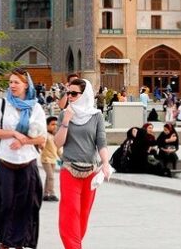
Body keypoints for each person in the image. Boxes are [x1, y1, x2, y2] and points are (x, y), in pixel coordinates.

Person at [0, 67, 47, 249]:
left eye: (16, 82)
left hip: (27, 164)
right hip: (6, 164)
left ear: (25, 85)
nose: (12, 85)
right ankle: (4, 241)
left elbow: (42, 138)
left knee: (26, 206)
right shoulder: (2, 104)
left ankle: (19, 243)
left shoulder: (35, 107)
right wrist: (14, 133)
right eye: (10, 82)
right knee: (6, 204)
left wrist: (24, 141)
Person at [53, 79, 110, 249]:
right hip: (70, 169)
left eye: (74, 93)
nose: (70, 97)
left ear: (84, 94)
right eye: (68, 93)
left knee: (83, 215)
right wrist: (66, 121)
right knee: (70, 214)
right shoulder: (65, 114)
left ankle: (75, 245)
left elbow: (101, 141)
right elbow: (57, 143)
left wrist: (105, 162)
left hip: (90, 172)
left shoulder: (96, 115)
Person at [41, 116, 60, 202]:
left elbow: (58, 148)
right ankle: (52, 193)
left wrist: (62, 157)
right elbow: (42, 144)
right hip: (46, 159)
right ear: (47, 125)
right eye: (52, 124)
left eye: (56, 124)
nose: (55, 126)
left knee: (48, 177)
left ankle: (45, 194)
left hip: (53, 159)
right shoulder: (45, 135)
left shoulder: (55, 136)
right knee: (51, 177)